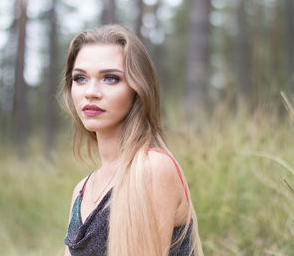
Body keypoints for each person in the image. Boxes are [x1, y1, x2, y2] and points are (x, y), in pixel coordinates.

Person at [62, 24, 203, 256]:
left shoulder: (152, 169)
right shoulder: (82, 190)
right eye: (80, 78)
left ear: (138, 89)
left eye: (110, 78)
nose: (91, 92)